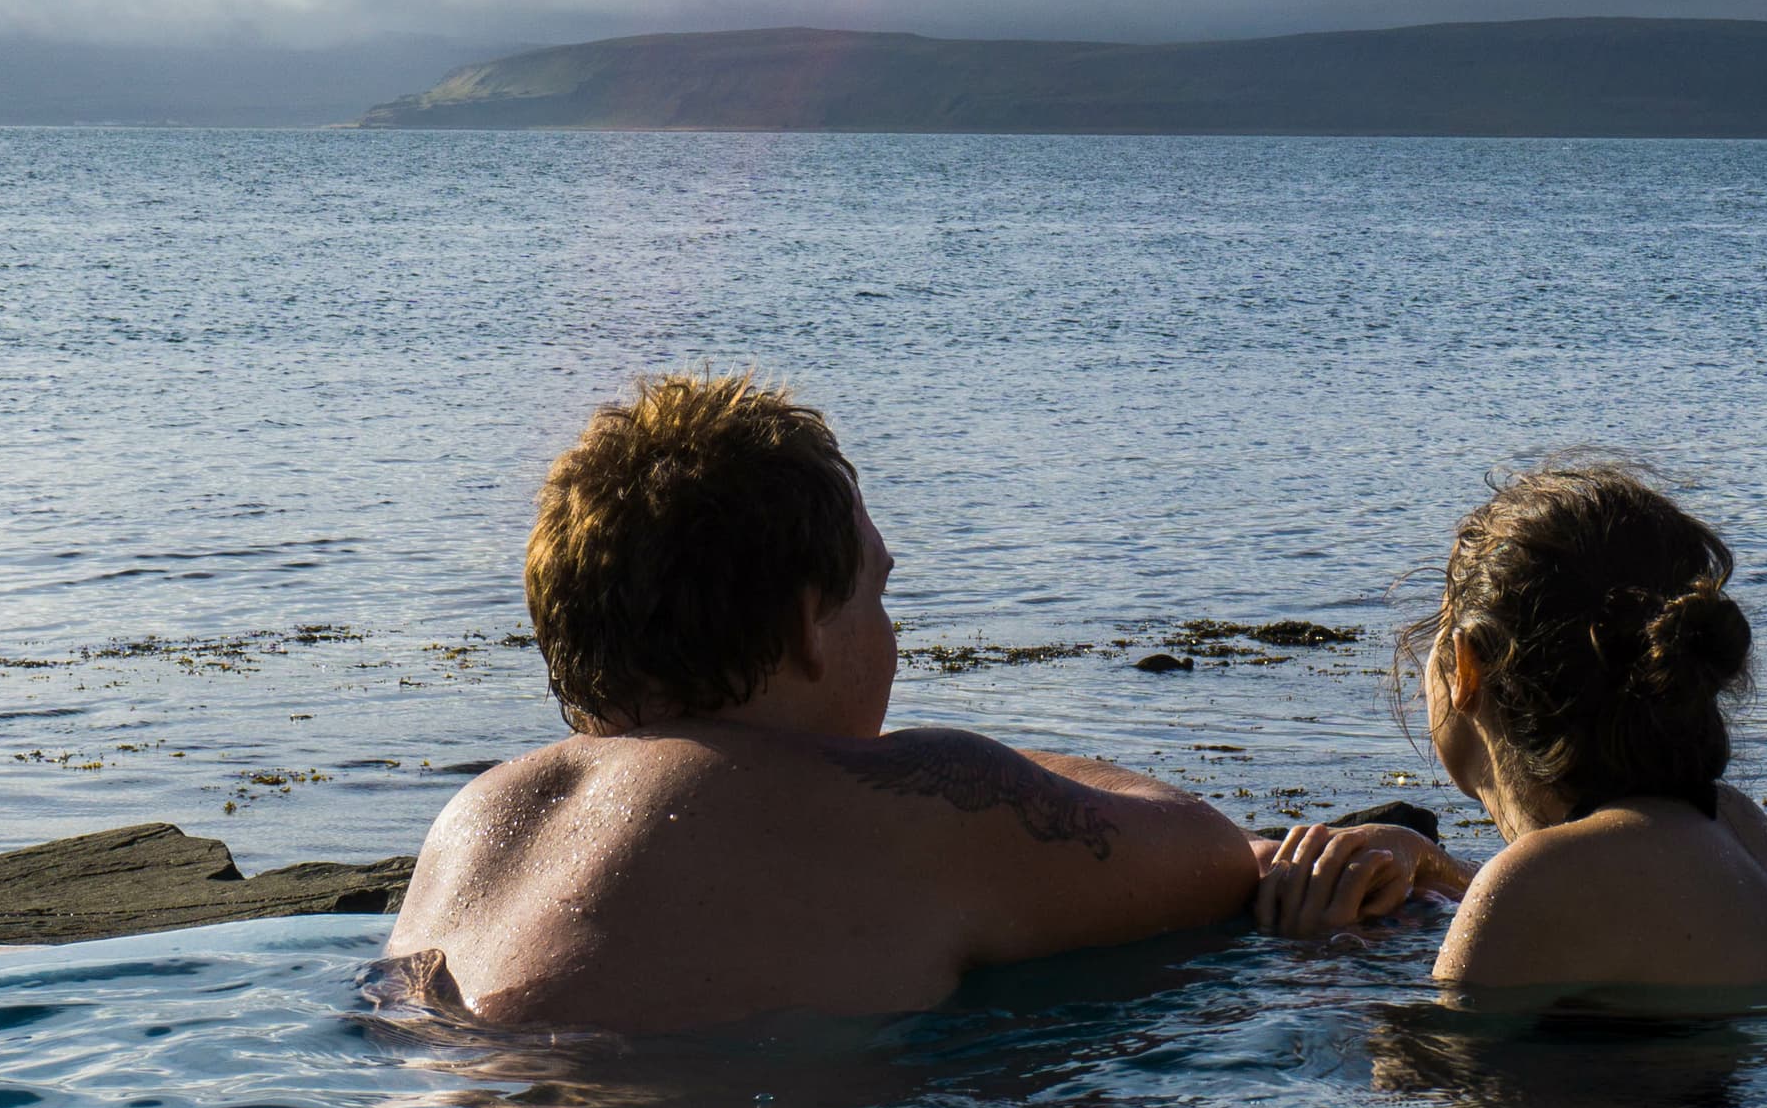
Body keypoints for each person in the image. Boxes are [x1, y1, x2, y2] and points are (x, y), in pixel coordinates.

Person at [383, 373, 1260, 1030]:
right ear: (809, 625)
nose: (889, 633)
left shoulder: (478, 815)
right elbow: (1210, 855)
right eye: (877, 593)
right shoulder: (926, 800)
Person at [1247, 462, 1767, 1006]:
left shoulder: (1534, 884)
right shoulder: (1736, 822)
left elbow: (1440, 1093)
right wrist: (1438, 868)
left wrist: (1321, 959)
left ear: (1466, 669)